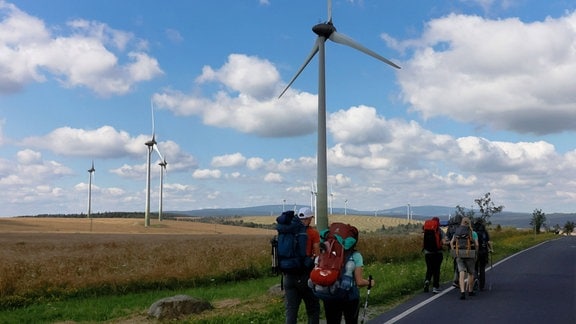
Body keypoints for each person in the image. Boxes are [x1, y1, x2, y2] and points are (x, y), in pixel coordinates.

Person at [323, 225, 374, 324]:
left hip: (330, 295)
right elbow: (359, 282)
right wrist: (369, 283)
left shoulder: (327, 253)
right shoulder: (356, 256)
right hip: (349, 297)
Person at [283, 207, 320, 324]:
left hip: (288, 275)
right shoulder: (313, 233)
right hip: (306, 275)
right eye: (310, 218)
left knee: (291, 310)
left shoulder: (287, 231)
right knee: (313, 309)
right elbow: (317, 254)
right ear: (309, 219)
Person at [450, 217, 478, 300]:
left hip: (459, 254)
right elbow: (477, 244)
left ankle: (462, 292)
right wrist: (476, 253)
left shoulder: (457, 232)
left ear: (461, 223)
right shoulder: (472, 232)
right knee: (470, 273)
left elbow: (452, 243)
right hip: (469, 254)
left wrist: (454, 252)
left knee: (461, 272)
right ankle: (470, 290)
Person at [422, 217, 445, 294]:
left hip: (427, 253)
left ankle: (427, 280)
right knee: (436, 270)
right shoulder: (439, 231)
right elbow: (444, 241)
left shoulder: (426, 230)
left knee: (429, 268)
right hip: (437, 253)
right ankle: (435, 287)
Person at [473, 219, 493, 291]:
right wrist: (491, 249)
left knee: (474, 268)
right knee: (482, 268)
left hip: (475, 252)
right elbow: (488, 242)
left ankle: (475, 279)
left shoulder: (473, 232)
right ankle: (482, 285)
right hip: (484, 251)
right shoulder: (484, 232)